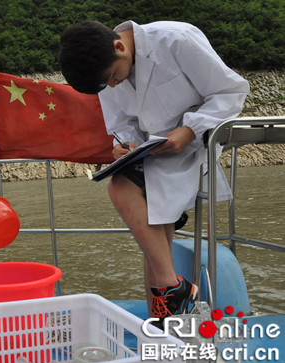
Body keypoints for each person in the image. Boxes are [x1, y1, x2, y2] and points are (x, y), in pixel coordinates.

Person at [58, 20, 249, 323]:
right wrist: (122, 145)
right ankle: (162, 314)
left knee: (122, 188)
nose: (112, 86)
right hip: (151, 151)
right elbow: (121, 122)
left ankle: (172, 289)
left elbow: (230, 92)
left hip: (193, 146)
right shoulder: (107, 71)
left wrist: (189, 130)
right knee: (157, 236)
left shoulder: (177, 39)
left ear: (119, 46)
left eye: (112, 78)